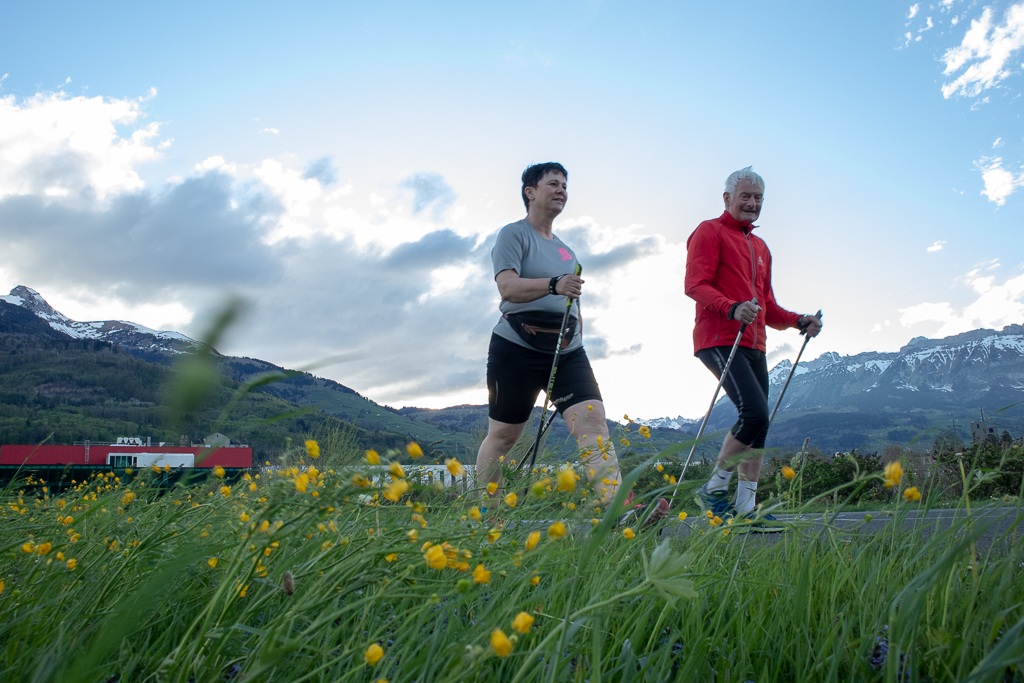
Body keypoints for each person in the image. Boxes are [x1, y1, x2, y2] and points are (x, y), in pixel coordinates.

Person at [478, 162, 669, 525]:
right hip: (515, 346)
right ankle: (487, 515)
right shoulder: (514, 235)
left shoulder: (568, 252)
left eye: (565, 184)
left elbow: (574, 302)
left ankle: (622, 511)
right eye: (553, 183)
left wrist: (576, 331)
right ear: (530, 191)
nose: (562, 189)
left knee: (593, 425)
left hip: (567, 351)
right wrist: (553, 284)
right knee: (503, 438)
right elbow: (507, 287)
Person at [684, 166, 822, 530]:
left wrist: (798, 320)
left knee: (760, 427)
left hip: (755, 342)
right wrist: (730, 307)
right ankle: (713, 492)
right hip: (718, 337)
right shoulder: (708, 231)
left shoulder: (761, 247)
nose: (752, 203)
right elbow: (695, 285)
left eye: (758, 198)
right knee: (755, 414)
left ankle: (747, 506)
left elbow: (769, 306)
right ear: (727, 198)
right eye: (745, 195)